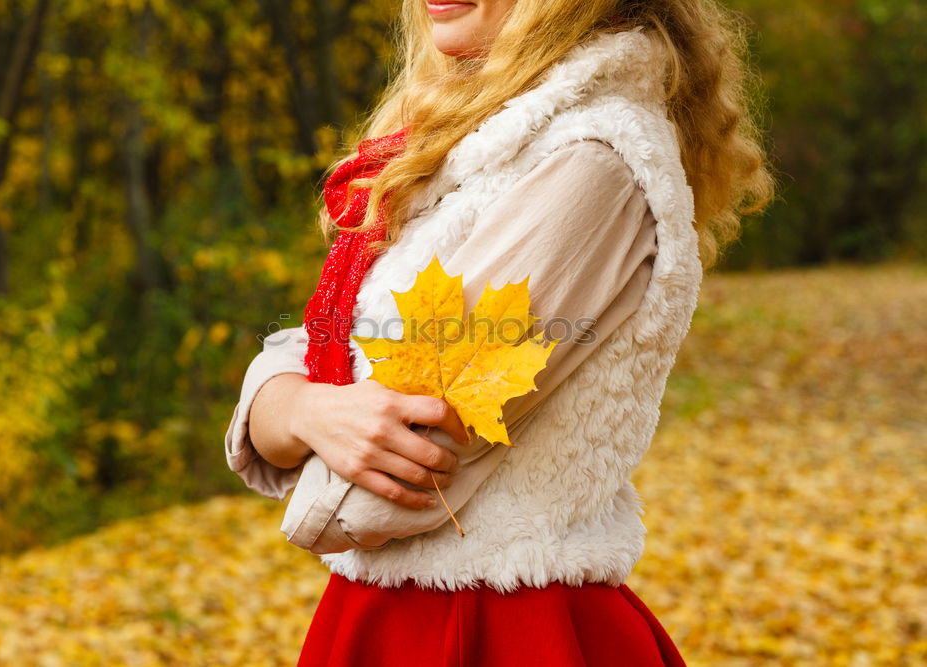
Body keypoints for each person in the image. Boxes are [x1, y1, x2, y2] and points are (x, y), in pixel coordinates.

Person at [224, 0, 773, 664]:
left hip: (502, 628)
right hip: (390, 616)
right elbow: (332, 357)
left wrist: (286, 403)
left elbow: (385, 480)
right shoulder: (463, 153)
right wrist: (304, 406)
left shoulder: (592, 162)